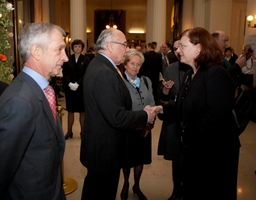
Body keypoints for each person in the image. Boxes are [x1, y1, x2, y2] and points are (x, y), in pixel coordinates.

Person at [156, 27, 240, 200]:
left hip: (215, 154)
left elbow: (215, 118)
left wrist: (188, 135)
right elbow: (181, 105)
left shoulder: (216, 74)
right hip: (196, 150)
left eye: (183, 46)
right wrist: (161, 109)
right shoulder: (190, 74)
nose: (177, 50)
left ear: (199, 48)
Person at [80, 28, 157, 200]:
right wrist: (145, 115)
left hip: (100, 147)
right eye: (124, 45)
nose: (127, 49)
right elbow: (116, 117)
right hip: (105, 151)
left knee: (94, 190)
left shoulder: (101, 65)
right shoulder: (104, 72)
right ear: (109, 46)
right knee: (101, 192)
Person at [0, 22, 68, 199]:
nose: (65, 57)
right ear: (36, 51)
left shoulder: (43, 89)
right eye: (59, 49)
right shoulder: (19, 101)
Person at [120, 49, 155, 200]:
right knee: (127, 160)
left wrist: (150, 113)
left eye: (138, 64)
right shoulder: (119, 81)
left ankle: (137, 185)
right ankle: (126, 183)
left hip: (144, 128)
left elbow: (152, 102)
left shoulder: (146, 81)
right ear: (125, 64)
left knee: (140, 159)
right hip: (128, 128)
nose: (135, 67)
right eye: (132, 63)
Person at [157, 39, 190, 200]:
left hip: (192, 124)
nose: (178, 51)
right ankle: (176, 191)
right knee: (176, 161)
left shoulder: (198, 68)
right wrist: (165, 90)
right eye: (176, 48)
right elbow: (163, 100)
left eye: (181, 47)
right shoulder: (170, 69)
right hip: (174, 121)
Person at [62, 39, 90, 139]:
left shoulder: (86, 60)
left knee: (82, 112)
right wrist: (69, 83)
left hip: (81, 88)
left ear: (82, 48)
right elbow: (65, 73)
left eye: (79, 46)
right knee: (70, 111)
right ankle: (69, 132)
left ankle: (83, 132)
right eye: (75, 46)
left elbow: (86, 74)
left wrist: (77, 83)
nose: (77, 48)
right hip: (70, 89)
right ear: (72, 48)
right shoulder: (67, 59)